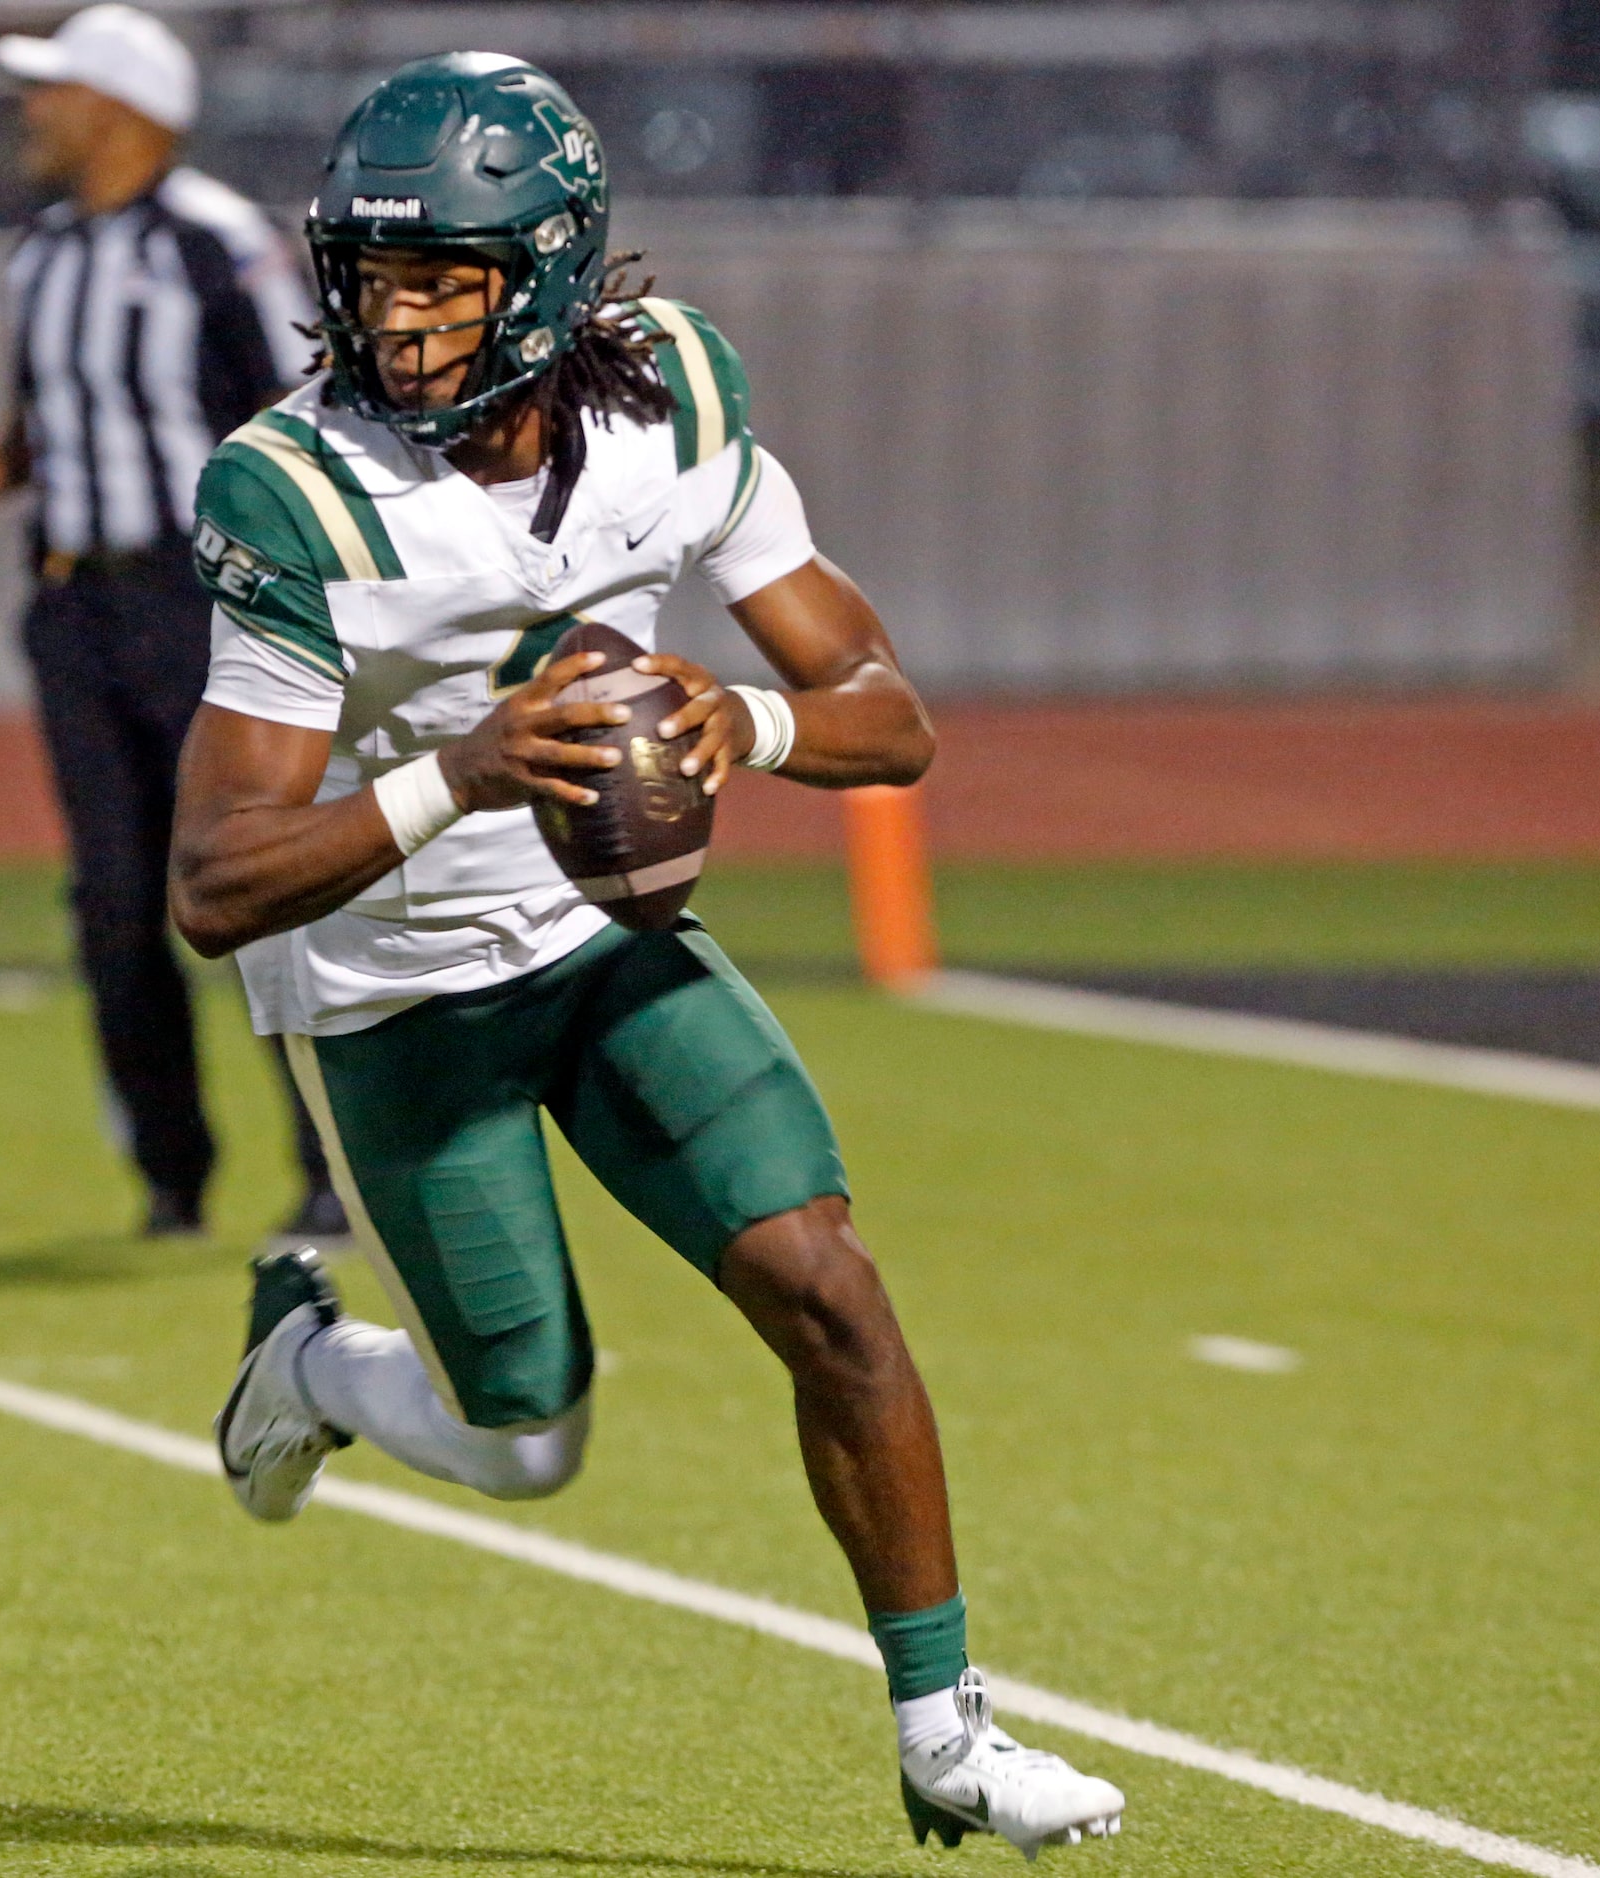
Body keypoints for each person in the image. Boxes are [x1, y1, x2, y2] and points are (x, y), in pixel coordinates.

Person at [169, 52, 1125, 1859]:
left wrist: (735, 721)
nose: (404, 324)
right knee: (528, 1434)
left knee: (825, 1283)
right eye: (375, 281)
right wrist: (462, 771)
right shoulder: (298, 488)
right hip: (393, 995)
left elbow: (884, 718)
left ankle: (948, 1736)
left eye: (445, 279)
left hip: (602, 939)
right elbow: (215, 880)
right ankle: (311, 1365)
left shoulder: (677, 395)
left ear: (545, 271)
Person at [0, 3, 344, 1244]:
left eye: (56, 90)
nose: (34, 113)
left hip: (200, 607)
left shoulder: (215, 245)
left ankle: (327, 1168)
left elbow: (299, 422)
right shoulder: (39, 254)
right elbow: (38, 427)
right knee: (110, 902)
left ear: (122, 110)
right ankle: (171, 1175)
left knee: (251, 884)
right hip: (75, 608)